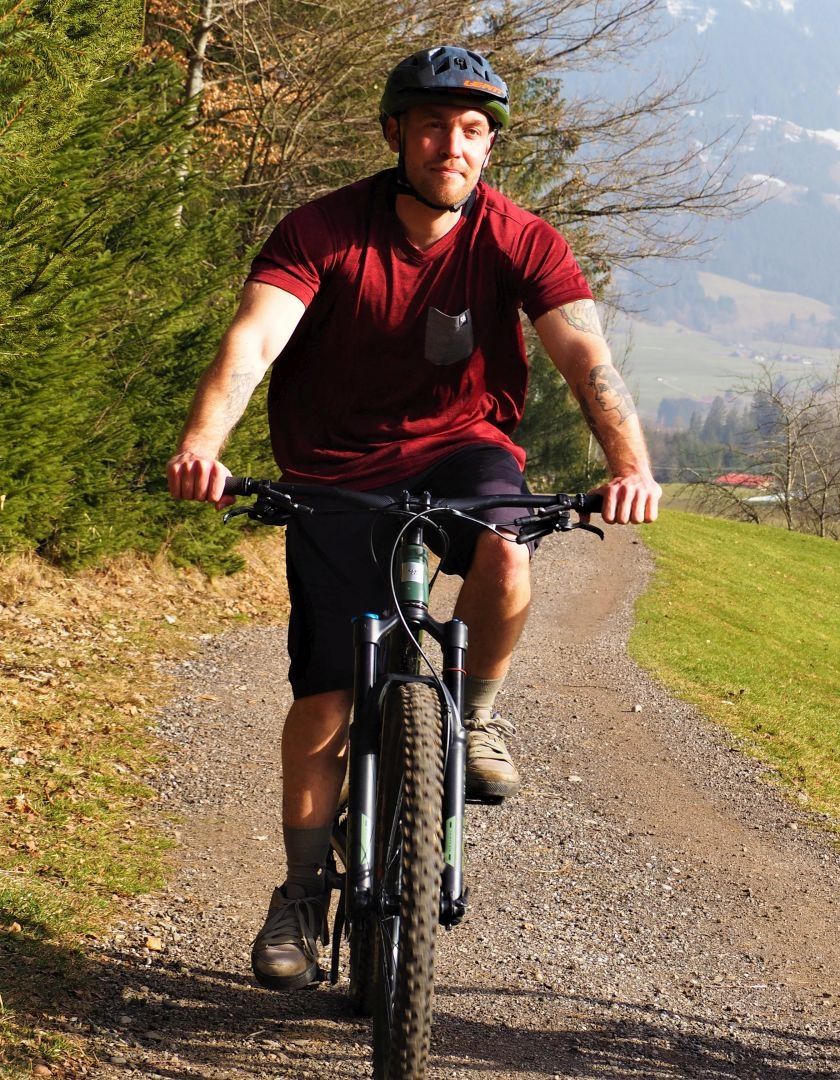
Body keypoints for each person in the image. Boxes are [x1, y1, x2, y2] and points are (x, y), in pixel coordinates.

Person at [167, 44, 661, 991]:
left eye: (473, 130)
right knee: (325, 697)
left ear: (489, 146)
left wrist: (630, 467)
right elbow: (254, 340)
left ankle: (470, 719)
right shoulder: (323, 230)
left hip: (465, 449)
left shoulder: (522, 238)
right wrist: (204, 443)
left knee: (507, 556)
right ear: (396, 133)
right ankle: (303, 894)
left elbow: (585, 358)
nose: (454, 145)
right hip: (336, 467)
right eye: (434, 125)